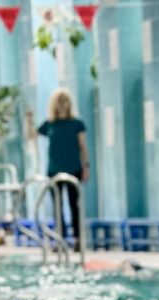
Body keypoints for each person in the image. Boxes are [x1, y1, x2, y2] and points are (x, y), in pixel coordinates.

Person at [35, 90, 88, 242]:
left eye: (64, 100)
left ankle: (78, 239)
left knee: (74, 205)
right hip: (54, 170)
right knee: (57, 207)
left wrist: (86, 167)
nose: (62, 104)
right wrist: (28, 120)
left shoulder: (77, 124)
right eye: (59, 101)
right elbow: (32, 135)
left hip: (74, 168)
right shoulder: (49, 124)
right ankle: (60, 240)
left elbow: (83, 147)